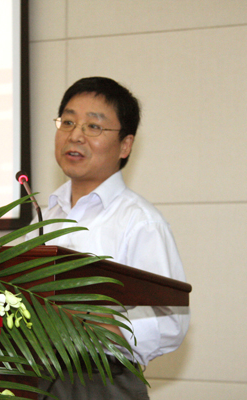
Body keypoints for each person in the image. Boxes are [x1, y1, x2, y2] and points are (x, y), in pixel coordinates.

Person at [27, 77, 190, 399]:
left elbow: (173, 320)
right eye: (68, 122)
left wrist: (102, 325)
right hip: (35, 377)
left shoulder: (139, 221)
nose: (75, 135)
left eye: (93, 126)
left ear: (125, 145)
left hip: (102, 380)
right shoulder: (44, 216)